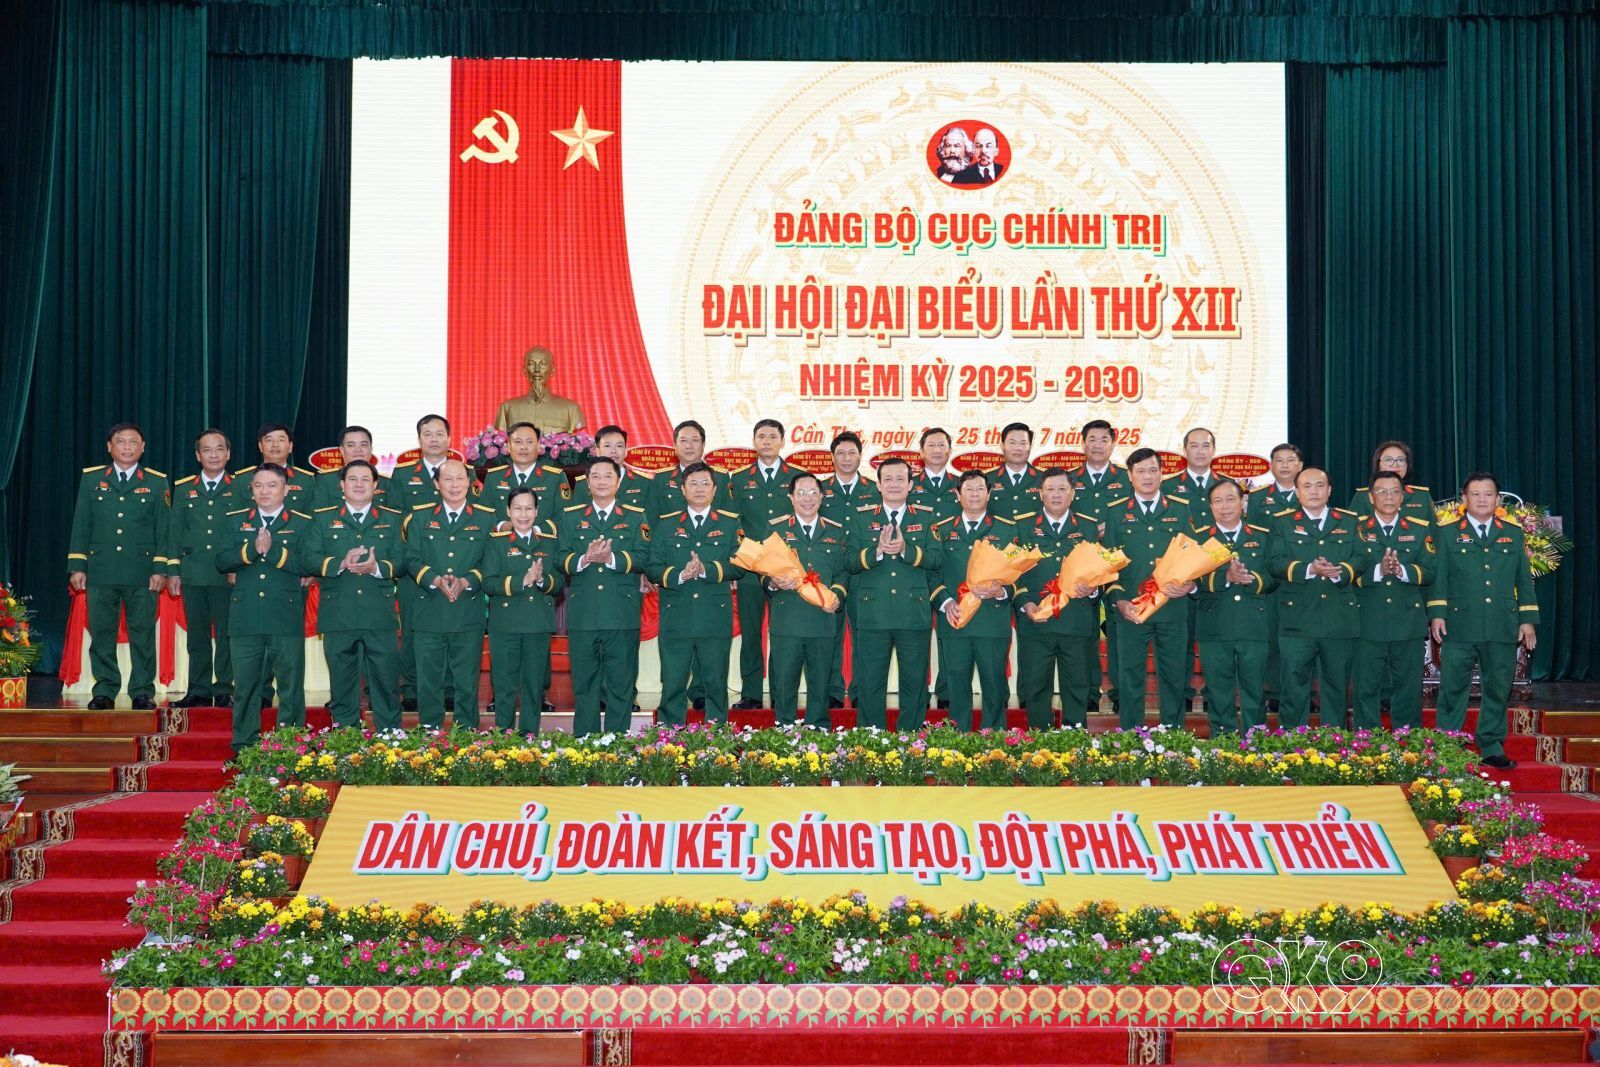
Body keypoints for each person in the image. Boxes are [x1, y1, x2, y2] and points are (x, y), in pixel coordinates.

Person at [1428, 472, 1538, 770]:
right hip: (1459, 623)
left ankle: (1490, 744)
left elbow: (1523, 579)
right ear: (1464, 498)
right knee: (1453, 687)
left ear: (1498, 499)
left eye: (1488, 494)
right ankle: (1448, 744)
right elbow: (1439, 577)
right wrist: (1437, 613)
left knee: (1498, 687)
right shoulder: (1447, 532)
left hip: (1502, 622)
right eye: (1475, 494)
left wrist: (1527, 619)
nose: (1481, 499)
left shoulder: (1512, 532)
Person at [68, 422, 171, 710]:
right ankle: (104, 689)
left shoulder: (156, 482)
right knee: (102, 633)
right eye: (121, 441)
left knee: (143, 634)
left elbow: (164, 529)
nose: (127, 447)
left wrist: (160, 568)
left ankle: (142, 690)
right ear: (109, 447)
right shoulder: (92, 479)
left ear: (143, 447)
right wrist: (77, 565)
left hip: (142, 571)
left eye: (133, 442)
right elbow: (82, 523)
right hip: (101, 569)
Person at [300, 461, 404, 731]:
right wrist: (339, 563)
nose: (359, 484)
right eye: (353, 479)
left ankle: (389, 737)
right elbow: (308, 558)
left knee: (385, 682)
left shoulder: (392, 519)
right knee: (342, 684)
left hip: (378, 614)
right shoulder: (323, 518)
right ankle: (346, 739)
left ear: (376, 486)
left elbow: (403, 560)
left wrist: (377, 568)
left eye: (366, 479)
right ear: (342, 485)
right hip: (338, 614)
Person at [216, 464, 310, 753]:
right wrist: (251, 551)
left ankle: (290, 748)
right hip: (245, 618)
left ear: (285, 490)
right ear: (252, 490)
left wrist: (273, 552)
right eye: (258, 485)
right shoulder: (235, 521)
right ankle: (244, 747)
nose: (264, 491)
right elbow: (221, 561)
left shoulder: (303, 523)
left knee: (290, 686)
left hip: (285, 616)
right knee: (245, 687)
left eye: (272, 485)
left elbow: (309, 564)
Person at [846, 458, 942, 731]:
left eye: (901, 479)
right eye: (887, 479)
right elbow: (849, 561)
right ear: (878, 485)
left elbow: (937, 559)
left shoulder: (926, 517)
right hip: (873, 613)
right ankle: (871, 739)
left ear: (910, 484)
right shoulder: (861, 517)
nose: (894, 484)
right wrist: (876, 551)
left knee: (914, 682)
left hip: (913, 613)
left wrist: (905, 550)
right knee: (870, 682)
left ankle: (910, 739)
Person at [1103, 449, 1197, 729]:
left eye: (1153, 470)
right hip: (1132, 610)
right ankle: (1132, 737)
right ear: (1130, 477)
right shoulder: (1116, 512)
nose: (1147, 476)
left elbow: (1191, 557)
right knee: (1129, 678)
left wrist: (1189, 584)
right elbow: (1108, 565)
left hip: (1172, 607)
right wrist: (1119, 601)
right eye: (1141, 471)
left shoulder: (1180, 509)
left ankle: (1173, 737)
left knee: (1174, 677)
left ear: (1161, 474)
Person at [646, 463, 745, 724]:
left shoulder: (730, 523)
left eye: (705, 484)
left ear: (715, 489)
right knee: (672, 683)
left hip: (714, 616)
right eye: (693, 483)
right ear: (682, 489)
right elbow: (653, 567)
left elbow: (740, 564)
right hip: (676, 615)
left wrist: (705, 570)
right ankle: (669, 736)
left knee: (716, 683)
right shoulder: (666, 524)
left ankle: (716, 736)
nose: (699, 489)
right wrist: (680, 575)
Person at [559, 457, 649, 735]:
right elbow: (559, 557)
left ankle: (617, 743)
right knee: (584, 684)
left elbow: (644, 557)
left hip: (621, 612)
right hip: (584, 614)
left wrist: (612, 558)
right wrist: (584, 559)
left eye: (608, 476)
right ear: (587, 483)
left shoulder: (635, 516)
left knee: (621, 684)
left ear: (618, 482)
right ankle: (584, 743)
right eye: (595, 476)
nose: (601, 481)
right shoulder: (570, 516)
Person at [1267, 466, 1361, 729]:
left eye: (1320, 485)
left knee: (1336, 689)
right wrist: (1309, 569)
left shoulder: (1349, 521)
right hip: (1297, 620)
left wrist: (1341, 571)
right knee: (1293, 689)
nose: (1314, 491)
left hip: (1338, 618)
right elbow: (1274, 562)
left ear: (1329, 490)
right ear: (1297, 492)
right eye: (1307, 486)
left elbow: (1362, 557)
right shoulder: (1282, 522)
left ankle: (1333, 742)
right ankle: (1292, 743)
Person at [402, 460, 494, 729]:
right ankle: (430, 733)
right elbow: (411, 558)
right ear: (436, 484)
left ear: (469, 482)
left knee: (466, 681)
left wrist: (468, 581)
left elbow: (491, 561)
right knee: (429, 681)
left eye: (460, 479)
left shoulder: (485, 518)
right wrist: (433, 579)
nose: (455, 485)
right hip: (429, 610)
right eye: (448, 479)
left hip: (468, 611)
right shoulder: (420, 517)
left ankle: (466, 735)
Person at [1013, 469, 1100, 729]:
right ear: (1040, 493)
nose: (1056, 494)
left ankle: (1074, 742)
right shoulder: (1023, 526)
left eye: (1062, 489)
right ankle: (1040, 741)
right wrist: (1024, 602)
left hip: (1076, 620)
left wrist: (1093, 589)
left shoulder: (1088, 526)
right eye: (1050, 489)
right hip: (1036, 621)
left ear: (1072, 494)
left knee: (1077, 686)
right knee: (1036, 686)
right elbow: (1011, 572)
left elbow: (1100, 570)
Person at [930, 472, 1018, 731]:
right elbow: (932, 573)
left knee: (994, 686)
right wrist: (946, 603)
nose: (975, 494)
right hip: (955, 619)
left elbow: (1020, 573)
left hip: (992, 620)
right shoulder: (941, 530)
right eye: (968, 489)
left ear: (989, 494)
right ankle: (959, 741)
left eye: (980, 488)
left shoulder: (1007, 529)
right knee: (956, 686)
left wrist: (1002, 591)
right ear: (958, 495)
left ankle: (994, 741)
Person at [1193, 479, 1276, 734]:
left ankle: (1255, 742)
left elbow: (1274, 576)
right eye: (1217, 501)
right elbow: (1190, 579)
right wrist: (1225, 577)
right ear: (1210, 506)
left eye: (1230, 499)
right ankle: (1222, 744)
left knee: (1254, 690)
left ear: (1242, 503)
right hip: (1214, 625)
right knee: (1218, 690)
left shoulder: (1262, 537)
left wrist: (1250, 579)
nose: (1225, 506)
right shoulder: (1199, 539)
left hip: (1253, 624)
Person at [764, 473, 847, 726]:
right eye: (800, 493)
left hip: (822, 620)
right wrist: (773, 582)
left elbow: (843, 572)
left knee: (820, 684)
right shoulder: (776, 529)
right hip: (787, 620)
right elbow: (763, 570)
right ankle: (784, 731)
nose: (807, 498)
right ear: (791, 497)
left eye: (813, 492)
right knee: (784, 684)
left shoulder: (835, 531)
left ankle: (818, 731)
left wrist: (837, 595)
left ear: (821, 497)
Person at [1352, 471, 1433, 730]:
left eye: (1394, 491)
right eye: (1382, 491)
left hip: (1407, 621)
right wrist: (1379, 570)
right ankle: (1366, 743)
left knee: (1408, 688)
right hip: (1366, 620)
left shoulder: (1419, 529)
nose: (1388, 497)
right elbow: (1347, 571)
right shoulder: (1355, 529)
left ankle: (1407, 741)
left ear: (1402, 496)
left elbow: (1431, 570)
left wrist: (1402, 571)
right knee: (1366, 687)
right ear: (1371, 497)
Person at [386, 413, 456, 711]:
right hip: (414, 567)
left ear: (449, 438)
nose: (434, 439)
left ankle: (450, 688)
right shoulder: (403, 474)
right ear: (419, 440)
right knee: (413, 629)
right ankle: (412, 688)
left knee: (452, 628)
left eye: (439, 433)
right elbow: (394, 519)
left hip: (454, 563)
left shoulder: (462, 472)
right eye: (427, 434)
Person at [729, 419, 800, 709]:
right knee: (751, 633)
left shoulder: (796, 477)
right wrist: (736, 564)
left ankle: (782, 692)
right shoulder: (738, 479)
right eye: (762, 436)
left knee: (782, 634)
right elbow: (733, 522)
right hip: (749, 569)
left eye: (773, 436)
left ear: (782, 441)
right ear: (754, 441)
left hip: (785, 569)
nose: (767, 441)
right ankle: (751, 694)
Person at [484, 486, 564, 733]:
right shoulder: (496, 542)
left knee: (533, 687)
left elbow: (559, 583)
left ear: (537, 511)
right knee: (504, 686)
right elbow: (489, 583)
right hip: (505, 624)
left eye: (529, 508)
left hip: (537, 624)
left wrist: (541, 580)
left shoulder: (550, 542)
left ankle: (529, 737)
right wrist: (523, 580)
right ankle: (503, 738)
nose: (523, 514)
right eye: (517, 508)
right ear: (508, 511)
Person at [167, 429, 234, 708]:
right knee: (197, 636)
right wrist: (173, 570)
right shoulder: (184, 489)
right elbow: (174, 532)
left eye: (219, 449)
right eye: (207, 450)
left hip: (227, 574)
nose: (214, 455)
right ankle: (199, 689)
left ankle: (225, 688)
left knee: (227, 635)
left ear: (228, 454)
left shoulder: (240, 488)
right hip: (193, 573)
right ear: (198, 455)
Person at [1071, 419, 1132, 717]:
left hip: (1119, 564)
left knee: (1120, 629)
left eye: (1104, 439)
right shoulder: (1070, 479)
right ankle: (1088, 693)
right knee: (1086, 630)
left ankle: (1122, 693)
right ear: (1083, 443)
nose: (1097, 445)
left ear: (1113, 443)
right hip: (1082, 566)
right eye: (1092, 439)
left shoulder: (1127, 478)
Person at [820, 431, 879, 707]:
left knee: (864, 636)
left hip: (863, 573)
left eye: (851, 453)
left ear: (860, 456)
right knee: (829, 635)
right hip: (829, 574)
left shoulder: (874, 489)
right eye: (840, 453)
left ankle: (860, 691)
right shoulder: (819, 489)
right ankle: (832, 691)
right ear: (832, 457)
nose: (846, 458)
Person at [1163, 427, 1218, 709]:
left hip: (1216, 574)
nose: (1200, 450)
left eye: (1205, 445)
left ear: (1213, 450)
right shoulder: (1168, 487)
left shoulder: (1227, 487)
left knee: (1214, 639)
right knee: (1180, 642)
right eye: (1194, 445)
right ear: (1184, 450)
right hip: (1180, 576)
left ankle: (1213, 695)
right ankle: (1182, 695)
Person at [1249, 442, 1306, 712]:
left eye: (1290, 460)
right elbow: (1253, 538)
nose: (1285, 465)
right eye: (1279, 460)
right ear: (1271, 466)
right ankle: (1273, 691)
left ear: (1300, 465)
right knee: (1272, 636)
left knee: (1303, 638)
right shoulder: (1258, 498)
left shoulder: (1310, 492)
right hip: (1271, 578)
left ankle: (1305, 692)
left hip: (1301, 575)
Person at [479, 422, 569, 524]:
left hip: (542, 534)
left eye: (529, 442)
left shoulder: (555, 478)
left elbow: (565, 518)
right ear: (508, 447)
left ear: (539, 446)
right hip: (503, 534)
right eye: (518, 442)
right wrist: (501, 526)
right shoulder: (494, 478)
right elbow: (483, 516)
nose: (523, 447)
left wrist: (535, 529)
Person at [492, 344, 587, 434]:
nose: (537, 370)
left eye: (543, 364)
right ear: (524, 370)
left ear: (552, 370)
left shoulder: (571, 409)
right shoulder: (507, 408)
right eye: (531, 364)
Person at [647, 419, 731, 517]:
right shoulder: (661, 478)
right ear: (675, 446)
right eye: (683, 441)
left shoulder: (721, 477)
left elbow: (730, 517)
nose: (689, 446)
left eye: (695, 440)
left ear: (703, 445)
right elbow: (652, 518)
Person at [232, 423, 318, 511]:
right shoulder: (242, 480)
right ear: (260, 446)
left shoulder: (306, 480)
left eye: (281, 440)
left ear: (290, 446)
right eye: (269, 440)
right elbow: (235, 515)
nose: (275, 444)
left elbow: (311, 516)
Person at [1348, 440, 1434, 523]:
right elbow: (1352, 529)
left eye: (1401, 460)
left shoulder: (1422, 496)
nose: (1395, 464)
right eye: (1388, 460)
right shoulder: (1363, 496)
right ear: (1378, 464)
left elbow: (1433, 530)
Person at [570, 425, 654, 510]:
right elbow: (577, 516)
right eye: (607, 446)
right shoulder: (583, 484)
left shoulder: (644, 482)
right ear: (597, 451)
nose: (613, 451)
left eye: (619, 446)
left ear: (625, 451)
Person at [311, 426, 388, 509]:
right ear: (342, 450)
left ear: (371, 449)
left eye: (363, 445)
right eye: (351, 445)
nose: (358, 450)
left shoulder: (386, 482)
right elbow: (319, 513)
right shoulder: (326, 480)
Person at [986, 422, 1040, 522]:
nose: (1018, 448)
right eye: (1012, 443)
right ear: (1002, 446)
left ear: (1030, 446)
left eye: (1023, 443)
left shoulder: (1044, 478)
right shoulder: (987, 479)